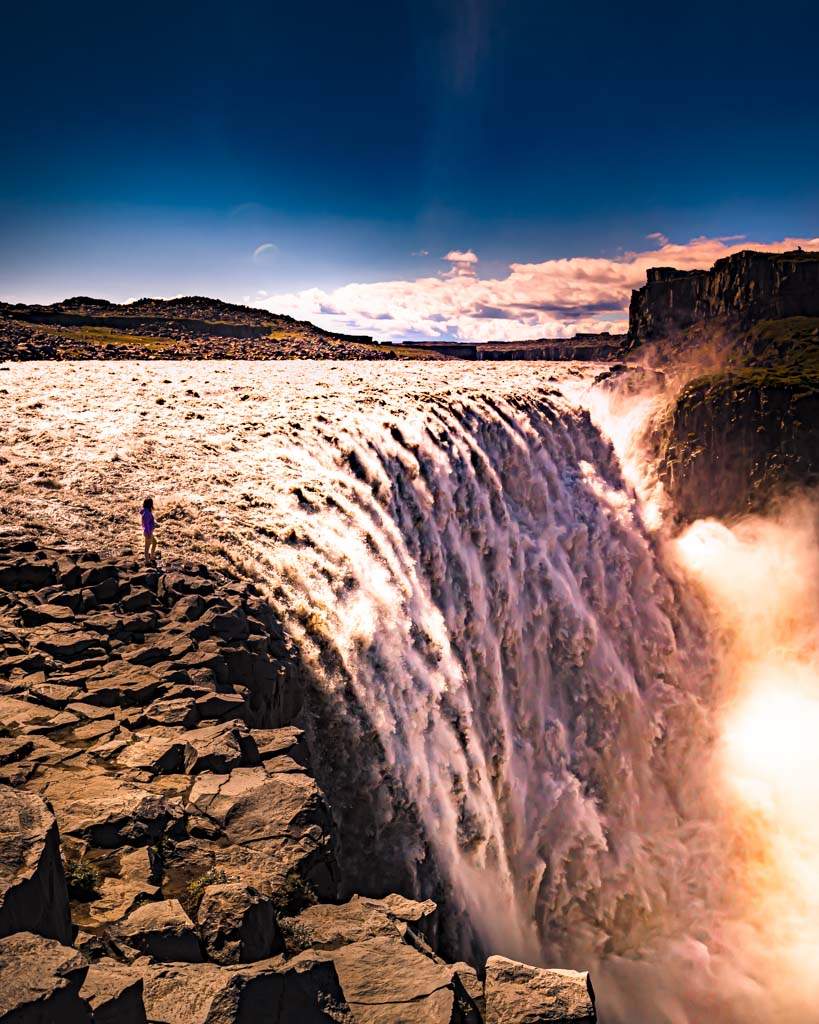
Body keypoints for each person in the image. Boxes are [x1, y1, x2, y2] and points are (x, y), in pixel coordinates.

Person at [141, 497, 158, 565]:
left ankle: (151, 557)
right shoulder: (147, 513)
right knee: (147, 547)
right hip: (148, 532)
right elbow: (146, 524)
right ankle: (147, 561)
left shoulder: (145, 511)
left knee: (154, 542)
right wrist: (148, 533)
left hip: (149, 531)